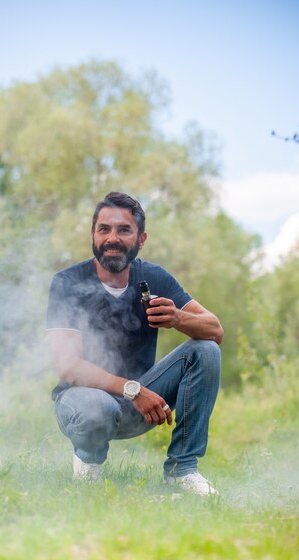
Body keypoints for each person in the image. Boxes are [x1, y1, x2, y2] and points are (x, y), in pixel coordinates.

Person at [47, 192, 223, 495]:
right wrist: (134, 389)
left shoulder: (153, 277)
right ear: (93, 234)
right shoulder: (67, 282)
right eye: (104, 229)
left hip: (138, 407)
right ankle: (88, 469)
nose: (112, 238)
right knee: (94, 406)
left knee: (206, 349)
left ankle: (183, 470)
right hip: (83, 404)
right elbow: (69, 367)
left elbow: (215, 329)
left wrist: (177, 318)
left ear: (141, 239)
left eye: (123, 230)